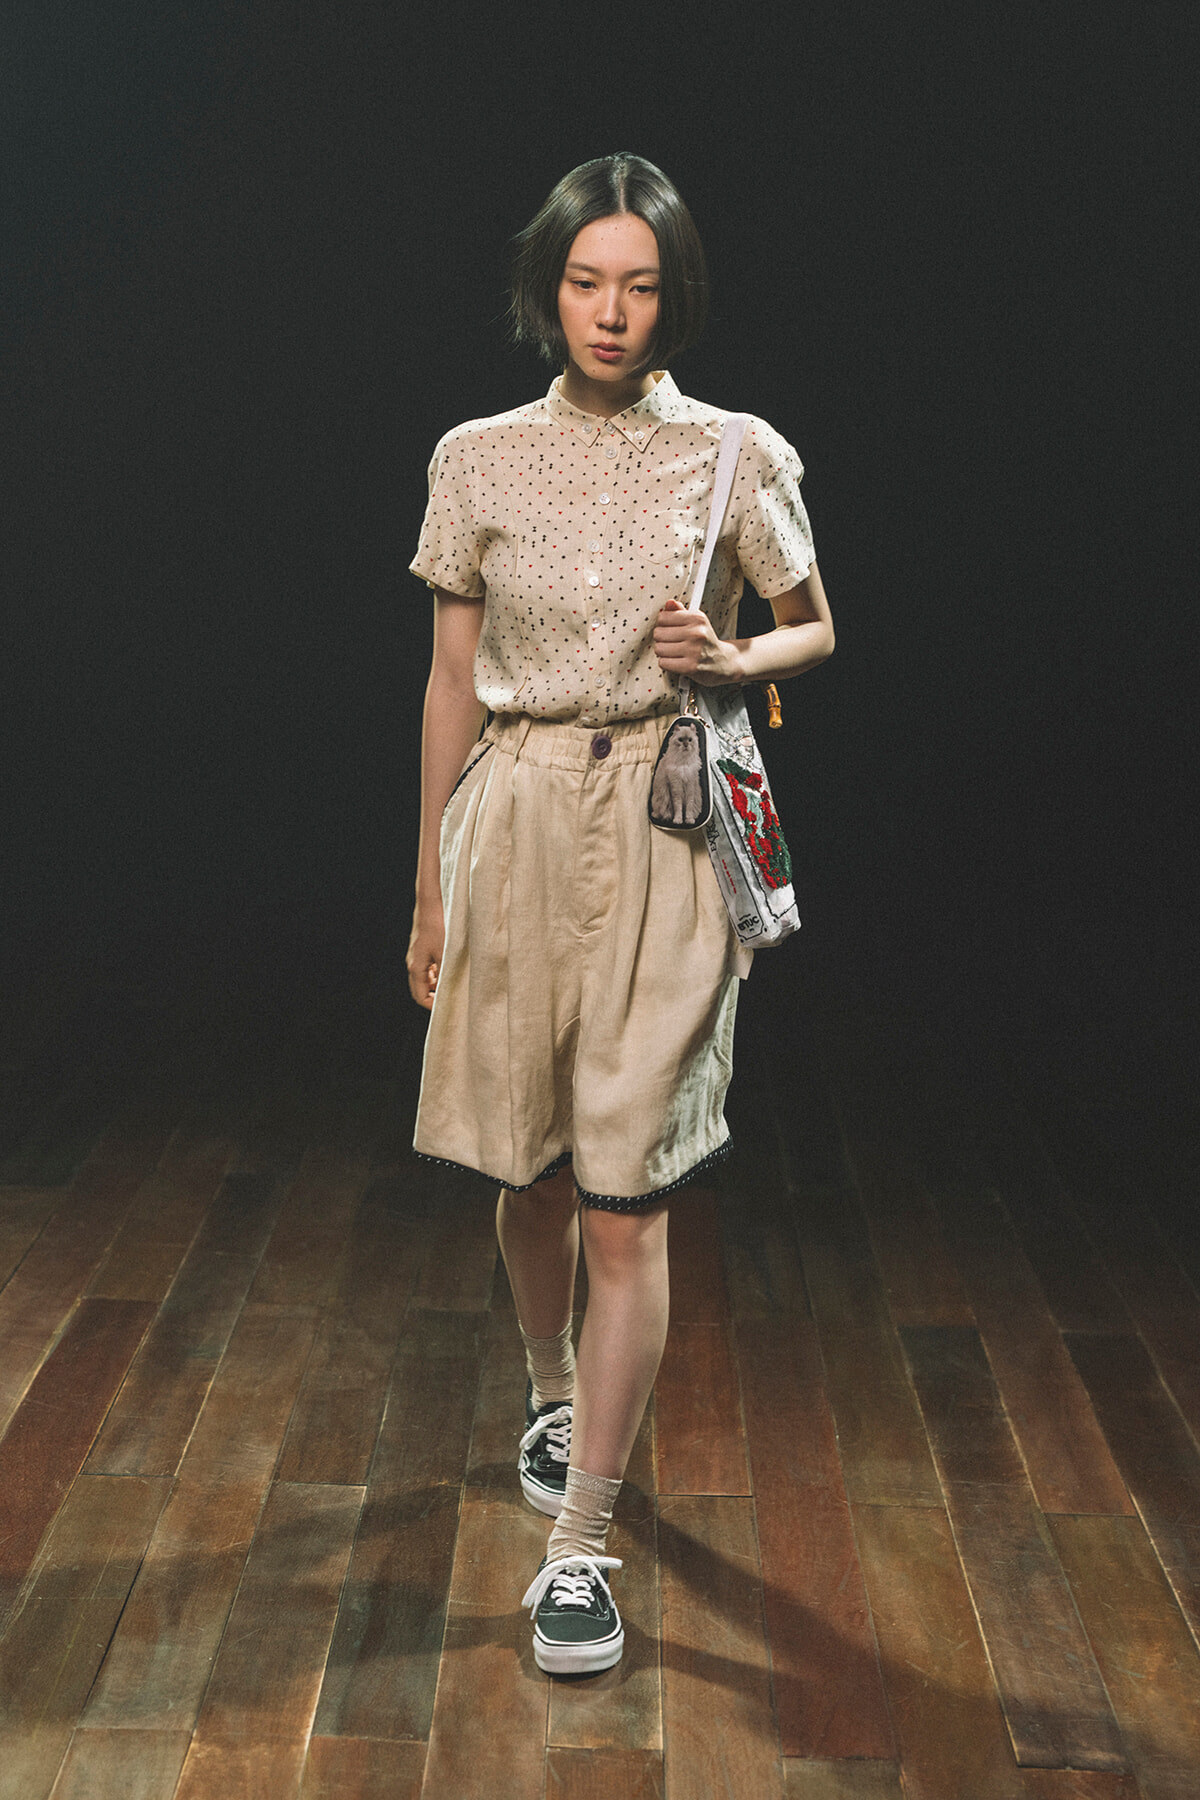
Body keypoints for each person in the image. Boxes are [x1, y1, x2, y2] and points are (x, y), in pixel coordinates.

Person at [406, 153, 834, 1676]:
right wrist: (426, 885)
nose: (611, 309)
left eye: (641, 284)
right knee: (522, 1175)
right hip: (513, 819)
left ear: (674, 295)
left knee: (624, 1197)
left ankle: (579, 1547)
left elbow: (817, 622)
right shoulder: (476, 457)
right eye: (588, 280)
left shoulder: (732, 449)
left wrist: (731, 657)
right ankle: (549, 1388)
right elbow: (451, 680)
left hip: (662, 827)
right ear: (549, 287)